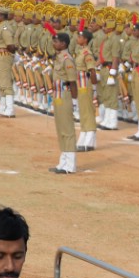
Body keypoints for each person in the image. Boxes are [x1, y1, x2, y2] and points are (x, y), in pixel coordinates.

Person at [48, 32, 79, 174]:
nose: (54, 44)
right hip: (58, 94)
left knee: (67, 130)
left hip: (66, 94)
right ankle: (63, 162)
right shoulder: (59, 57)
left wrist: (74, 101)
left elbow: (72, 81)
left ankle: (70, 164)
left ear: (64, 44)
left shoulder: (67, 59)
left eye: (57, 42)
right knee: (61, 129)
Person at [0, 5, 18, 117]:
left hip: (3, 56)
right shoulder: (0, 26)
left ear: (2, 15)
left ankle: (10, 109)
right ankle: (2, 107)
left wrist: (13, 55)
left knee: (6, 82)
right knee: (1, 82)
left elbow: (10, 45)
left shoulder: (5, 27)